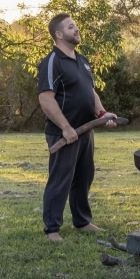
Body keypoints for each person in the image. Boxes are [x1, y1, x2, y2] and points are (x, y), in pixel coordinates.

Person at [37, 13, 118, 241]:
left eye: (76, 26)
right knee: (61, 178)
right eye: (71, 27)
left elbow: (90, 92)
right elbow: (46, 98)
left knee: (84, 177)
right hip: (64, 134)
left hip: (85, 130)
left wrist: (102, 114)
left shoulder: (81, 60)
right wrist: (65, 127)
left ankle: (81, 221)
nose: (77, 29)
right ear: (59, 34)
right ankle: (52, 229)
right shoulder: (52, 61)